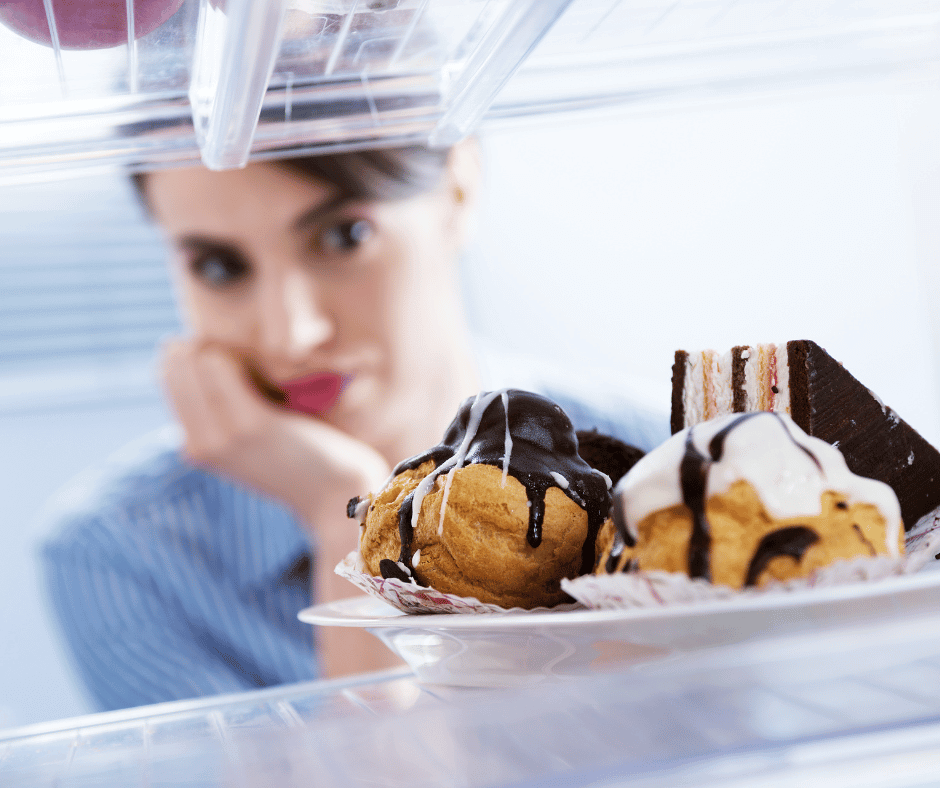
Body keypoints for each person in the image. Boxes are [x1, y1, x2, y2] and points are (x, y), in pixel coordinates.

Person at [40, 139, 669, 712]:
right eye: (219, 267)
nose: (293, 334)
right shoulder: (124, 556)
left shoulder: (670, 458)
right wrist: (345, 515)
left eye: (344, 236)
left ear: (459, 186)